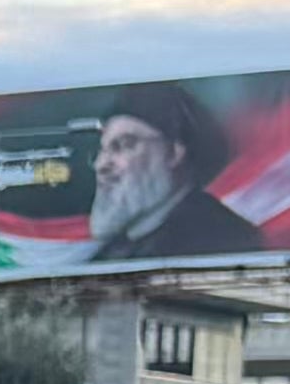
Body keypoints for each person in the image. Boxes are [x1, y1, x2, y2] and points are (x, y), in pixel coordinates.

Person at [83, 85, 267, 263]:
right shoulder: (114, 249)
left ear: (173, 153)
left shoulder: (223, 237)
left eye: (123, 145)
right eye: (102, 150)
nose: (101, 165)